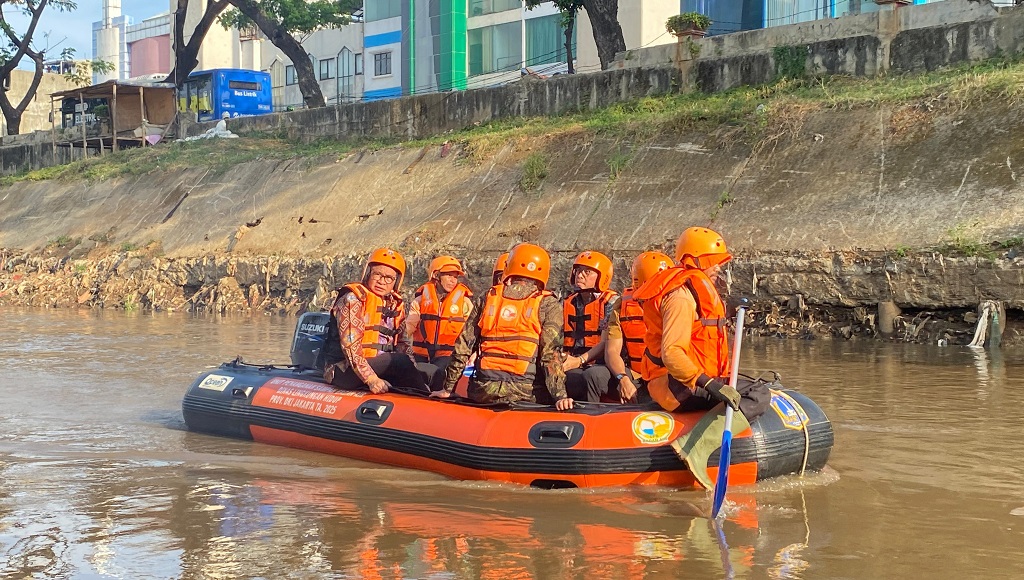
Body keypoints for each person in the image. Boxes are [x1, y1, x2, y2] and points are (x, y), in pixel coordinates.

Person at [632, 227, 770, 489]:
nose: (718, 268)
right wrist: (709, 384)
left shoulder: (692, 290)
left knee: (750, 385)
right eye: (713, 262)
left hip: (684, 381)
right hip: (676, 385)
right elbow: (672, 352)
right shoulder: (681, 297)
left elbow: (701, 332)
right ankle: (695, 449)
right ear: (695, 261)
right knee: (758, 395)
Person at [432, 243, 574, 410]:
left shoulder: (488, 297)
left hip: (483, 391)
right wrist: (560, 396)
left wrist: (448, 388)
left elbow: (463, 346)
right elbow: (550, 356)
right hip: (526, 394)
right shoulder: (548, 304)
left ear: (510, 266)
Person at [321, 248, 431, 394]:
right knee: (399, 362)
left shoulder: (395, 304)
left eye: (388, 278)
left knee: (432, 371)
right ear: (368, 274)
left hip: (379, 363)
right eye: (377, 274)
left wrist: (417, 371)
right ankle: (425, 398)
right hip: (344, 369)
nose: (381, 281)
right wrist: (371, 379)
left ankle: (430, 397)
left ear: (396, 281)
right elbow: (351, 348)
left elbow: (403, 344)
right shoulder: (353, 299)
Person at [602, 251, 673, 404]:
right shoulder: (621, 305)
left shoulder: (676, 302)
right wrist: (623, 378)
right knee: (595, 376)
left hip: (669, 375)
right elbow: (612, 351)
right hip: (636, 373)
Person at [561, 251, 619, 402]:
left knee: (590, 375)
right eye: (578, 271)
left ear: (602, 277)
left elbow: (606, 342)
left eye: (587, 272)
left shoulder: (611, 303)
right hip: (573, 358)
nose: (580, 276)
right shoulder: (569, 302)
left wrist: (579, 360)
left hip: (602, 363)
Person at [406, 255, 474, 376]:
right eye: (448, 275)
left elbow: (472, 332)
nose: (453, 280)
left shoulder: (465, 303)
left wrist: (473, 353)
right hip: (421, 355)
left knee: (439, 374)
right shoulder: (420, 301)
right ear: (436, 275)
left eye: (455, 277)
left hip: (448, 356)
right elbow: (409, 327)